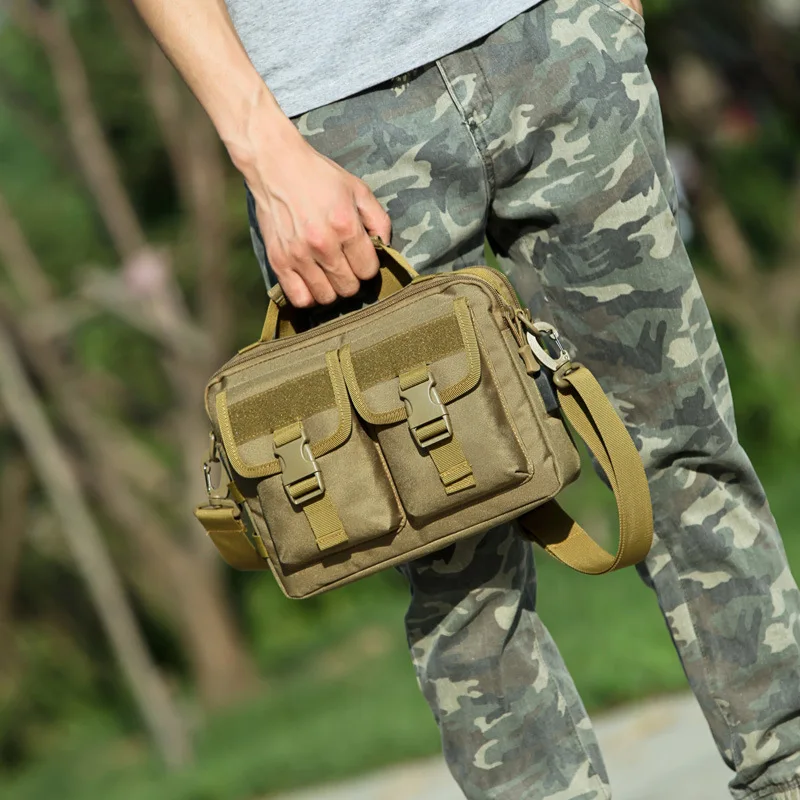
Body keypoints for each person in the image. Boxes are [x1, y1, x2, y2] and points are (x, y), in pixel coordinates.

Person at [132, 1, 800, 797]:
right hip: (335, 131)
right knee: (455, 557)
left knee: (691, 458)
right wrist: (262, 149)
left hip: (556, 41)